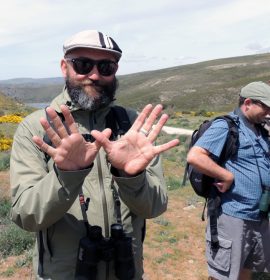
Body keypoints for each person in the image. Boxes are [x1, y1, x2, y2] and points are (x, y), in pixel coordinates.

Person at [10, 29, 179, 280]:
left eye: (106, 67)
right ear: (64, 67)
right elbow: (26, 215)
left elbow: (155, 206)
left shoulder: (132, 126)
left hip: (126, 271)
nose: (94, 75)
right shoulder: (37, 128)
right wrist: (66, 176)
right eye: (83, 64)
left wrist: (130, 176)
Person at [187, 81, 270, 280]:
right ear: (248, 103)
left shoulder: (260, 129)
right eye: (265, 107)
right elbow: (195, 156)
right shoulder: (226, 126)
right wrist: (226, 175)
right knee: (224, 274)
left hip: (258, 215)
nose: (269, 112)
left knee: (246, 268)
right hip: (233, 215)